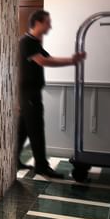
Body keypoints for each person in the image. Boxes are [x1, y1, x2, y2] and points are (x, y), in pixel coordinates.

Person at [18, 10, 86, 178]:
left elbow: (50, 58)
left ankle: (13, 160)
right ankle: (42, 166)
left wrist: (72, 60)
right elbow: (44, 61)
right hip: (28, 94)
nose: (50, 25)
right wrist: (72, 61)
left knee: (23, 129)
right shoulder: (26, 42)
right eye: (47, 22)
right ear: (38, 22)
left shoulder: (34, 42)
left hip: (30, 94)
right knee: (36, 130)